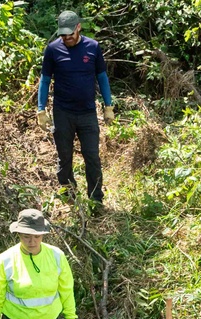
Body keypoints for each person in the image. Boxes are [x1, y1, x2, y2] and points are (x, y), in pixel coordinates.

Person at [37, 10, 114, 204]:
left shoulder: (93, 47)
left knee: (92, 157)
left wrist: (108, 106)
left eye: (70, 34)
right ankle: (69, 195)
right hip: (63, 112)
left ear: (78, 27)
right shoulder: (53, 50)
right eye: (63, 34)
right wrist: (41, 109)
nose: (66, 38)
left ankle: (96, 200)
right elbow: (45, 80)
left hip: (87, 112)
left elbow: (102, 77)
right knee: (64, 157)